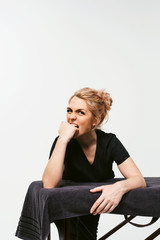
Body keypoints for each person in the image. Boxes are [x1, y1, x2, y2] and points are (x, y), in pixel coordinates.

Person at [42, 87, 146, 240]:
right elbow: (49, 184)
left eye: (80, 112)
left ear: (95, 121)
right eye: (69, 110)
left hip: (92, 208)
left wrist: (119, 188)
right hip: (68, 210)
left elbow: (139, 180)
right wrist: (63, 140)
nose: (71, 117)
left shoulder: (109, 142)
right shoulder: (63, 143)